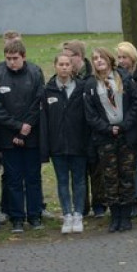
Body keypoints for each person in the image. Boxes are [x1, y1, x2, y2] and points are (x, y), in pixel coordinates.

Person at [0, 39, 44, 232]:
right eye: (8, 58)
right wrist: (17, 127)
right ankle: (17, 217)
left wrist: (27, 126)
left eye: (15, 58)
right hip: (8, 137)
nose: (11, 62)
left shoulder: (35, 72)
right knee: (13, 179)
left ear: (23, 57)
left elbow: (38, 101)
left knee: (33, 177)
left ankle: (35, 215)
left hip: (32, 135)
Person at [85, 48, 137, 233]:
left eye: (101, 57)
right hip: (105, 137)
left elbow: (136, 103)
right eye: (95, 58)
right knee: (110, 176)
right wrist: (108, 128)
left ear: (109, 59)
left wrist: (125, 125)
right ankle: (115, 214)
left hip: (126, 134)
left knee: (127, 174)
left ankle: (126, 215)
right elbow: (90, 114)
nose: (98, 60)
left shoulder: (123, 78)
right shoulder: (91, 84)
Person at [41, 52, 89, 234]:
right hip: (58, 145)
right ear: (55, 66)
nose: (64, 67)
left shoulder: (82, 87)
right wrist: (47, 147)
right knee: (62, 180)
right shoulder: (48, 90)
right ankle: (67, 214)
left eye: (67, 64)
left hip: (78, 143)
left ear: (72, 67)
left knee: (79, 180)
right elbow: (44, 121)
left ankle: (78, 214)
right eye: (60, 64)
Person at [116, 41, 137, 217]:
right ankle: (124, 200)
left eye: (125, 57)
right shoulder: (115, 78)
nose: (121, 61)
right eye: (119, 57)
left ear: (133, 58)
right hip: (120, 128)